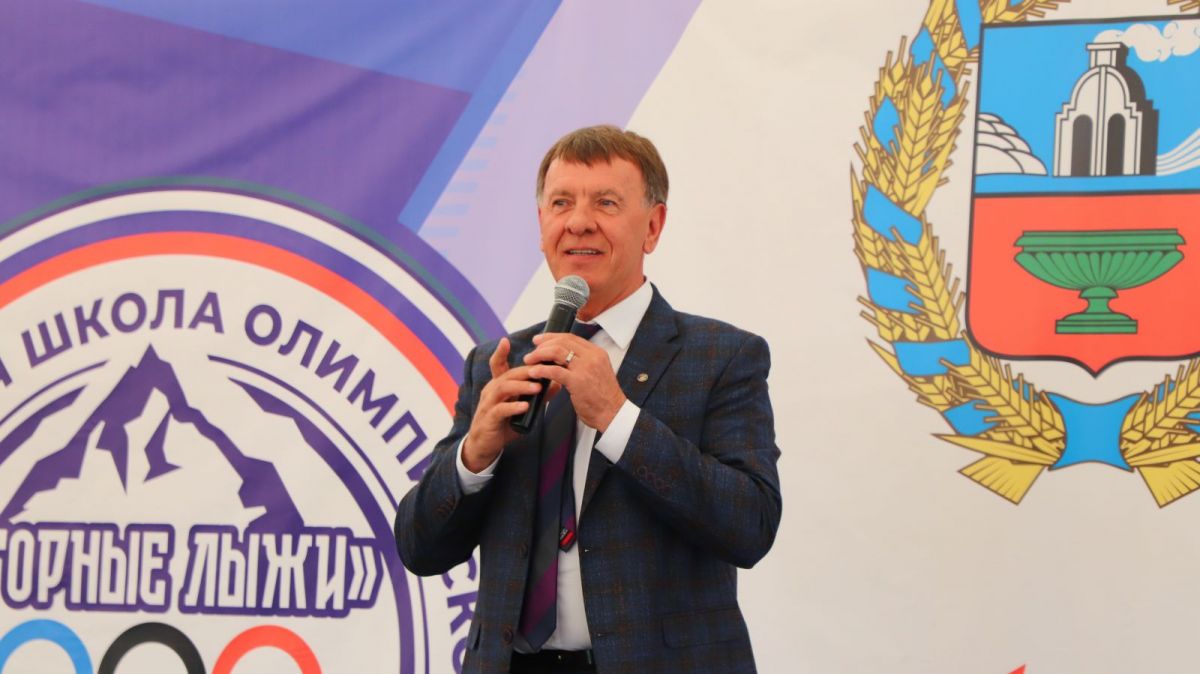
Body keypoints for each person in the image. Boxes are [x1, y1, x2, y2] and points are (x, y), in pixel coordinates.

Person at [394, 125, 781, 674]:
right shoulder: (498, 363)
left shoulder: (722, 356)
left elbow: (749, 526)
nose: (578, 221)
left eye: (606, 202)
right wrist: (473, 457)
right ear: (542, 225)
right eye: (561, 203)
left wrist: (619, 419)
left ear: (653, 226)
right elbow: (419, 548)